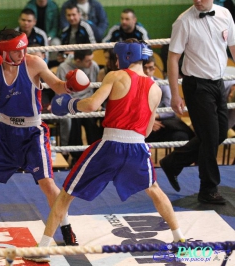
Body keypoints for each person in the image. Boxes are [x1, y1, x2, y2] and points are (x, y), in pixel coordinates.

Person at [24, 39, 186, 263]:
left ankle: (43, 249)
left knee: (65, 195)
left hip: (111, 145)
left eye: (117, 57)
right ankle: (180, 239)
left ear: (126, 56)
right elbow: (148, 129)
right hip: (138, 146)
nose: (116, 61)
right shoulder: (156, 88)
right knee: (154, 189)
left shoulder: (115, 76)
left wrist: (70, 105)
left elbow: (91, 105)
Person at [0, 28, 91, 246]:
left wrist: (69, 86)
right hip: (3, 132)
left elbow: (56, 85)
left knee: (48, 184)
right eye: (17, 51)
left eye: (23, 49)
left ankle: (66, 226)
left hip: (32, 133)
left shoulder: (33, 63)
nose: (22, 54)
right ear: (4, 52)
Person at [159, 0, 235, 205]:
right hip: (196, 87)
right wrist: (175, 94)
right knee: (209, 137)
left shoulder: (225, 14)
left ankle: (173, 162)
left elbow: (233, 47)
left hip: (218, 84)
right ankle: (208, 189)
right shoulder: (183, 21)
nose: (198, 1)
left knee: (219, 133)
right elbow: (173, 59)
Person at [56, 49, 101, 166]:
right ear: (77, 61)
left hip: (89, 102)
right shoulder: (63, 68)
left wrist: (96, 102)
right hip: (71, 102)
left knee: (93, 119)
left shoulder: (94, 66)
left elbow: (97, 88)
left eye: (91, 59)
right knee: (73, 119)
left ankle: (95, 154)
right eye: (87, 61)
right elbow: (60, 91)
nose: (91, 63)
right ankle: (77, 156)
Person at [143, 56, 194, 143]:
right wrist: (147, 121)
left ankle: (176, 157)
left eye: (150, 68)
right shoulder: (134, 85)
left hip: (162, 123)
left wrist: (151, 118)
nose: (147, 71)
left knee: (182, 136)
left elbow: (170, 110)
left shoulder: (163, 84)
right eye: (144, 68)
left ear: (154, 68)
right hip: (142, 124)